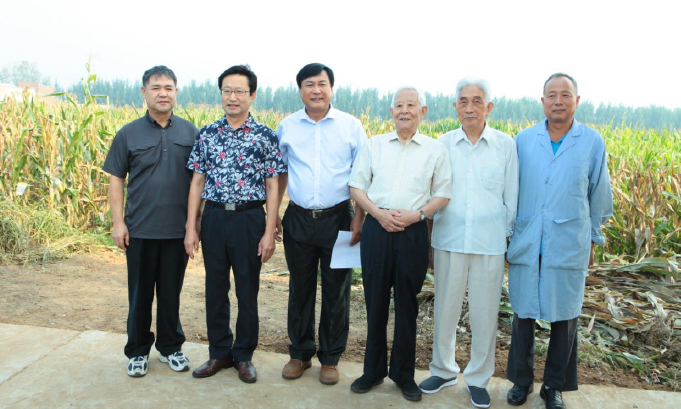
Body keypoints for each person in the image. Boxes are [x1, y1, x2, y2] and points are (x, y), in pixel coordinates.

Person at [505, 73, 613, 409]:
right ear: (542, 101)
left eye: (565, 95)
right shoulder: (524, 140)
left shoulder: (591, 142)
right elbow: (510, 191)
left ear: (576, 101)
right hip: (528, 239)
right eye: (551, 95)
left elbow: (599, 195)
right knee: (523, 314)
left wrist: (593, 239)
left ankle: (554, 386)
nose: (558, 101)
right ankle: (521, 381)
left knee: (565, 317)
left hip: (568, 241)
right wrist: (507, 235)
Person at [349, 86, 452, 401]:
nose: (404, 110)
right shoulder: (374, 145)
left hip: (413, 232)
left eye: (411, 105)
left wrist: (417, 215)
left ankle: (404, 375)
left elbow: (443, 194)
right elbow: (357, 186)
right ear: (391, 111)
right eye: (399, 105)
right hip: (377, 230)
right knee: (375, 302)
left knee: (407, 305)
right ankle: (372, 371)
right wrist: (377, 213)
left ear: (423, 111)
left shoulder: (435, 150)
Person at [420, 78, 518, 408]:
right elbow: (432, 192)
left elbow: (511, 196)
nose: (470, 107)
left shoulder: (505, 146)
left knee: (484, 313)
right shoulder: (442, 145)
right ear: (455, 107)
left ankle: (478, 378)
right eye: (463, 101)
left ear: (488, 107)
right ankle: (443, 370)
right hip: (448, 238)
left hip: (490, 242)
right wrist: (429, 241)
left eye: (477, 101)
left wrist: (508, 239)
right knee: (445, 309)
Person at [185, 65, 285, 384]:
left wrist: (268, 232)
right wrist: (191, 227)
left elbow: (273, 186)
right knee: (215, 288)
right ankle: (219, 352)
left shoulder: (265, 136)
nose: (232, 97)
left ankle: (243, 355)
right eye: (226, 91)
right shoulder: (208, 134)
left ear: (251, 95)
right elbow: (197, 182)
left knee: (247, 289)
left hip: (249, 218)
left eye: (239, 91)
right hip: (214, 217)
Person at [103, 65, 197, 377]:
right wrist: (119, 223)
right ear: (144, 92)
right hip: (140, 230)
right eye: (156, 88)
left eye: (168, 88)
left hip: (177, 231)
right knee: (140, 295)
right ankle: (138, 350)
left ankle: (171, 347)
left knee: (171, 294)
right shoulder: (128, 133)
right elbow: (116, 179)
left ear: (176, 92)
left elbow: (199, 183)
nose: (162, 93)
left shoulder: (190, 133)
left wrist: (193, 226)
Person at [276, 63, 367, 386]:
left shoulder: (350, 126)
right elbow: (280, 173)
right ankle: (300, 353)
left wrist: (359, 217)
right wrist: (274, 214)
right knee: (299, 288)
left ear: (331, 88)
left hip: (340, 219)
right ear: (300, 90)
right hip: (299, 218)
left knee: (337, 291)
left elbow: (362, 175)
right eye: (309, 84)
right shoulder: (287, 126)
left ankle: (330, 358)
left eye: (322, 83)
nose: (316, 90)